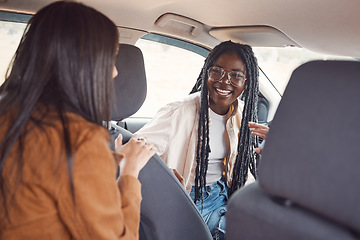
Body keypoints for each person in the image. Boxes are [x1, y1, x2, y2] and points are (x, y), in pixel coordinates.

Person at [0, 1, 156, 239]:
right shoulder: (78, 139)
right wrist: (129, 172)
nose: (114, 72)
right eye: (110, 59)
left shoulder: (9, 112)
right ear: (82, 62)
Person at [135, 41, 269, 239]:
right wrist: (163, 177)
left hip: (225, 193)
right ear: (207, 73)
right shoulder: (179, 112)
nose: (224, 82)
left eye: (236, 75)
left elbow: (241, 167)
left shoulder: (241, 112)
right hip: (190, 198)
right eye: (217, 71)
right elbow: (133, 151)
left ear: (247, 83)